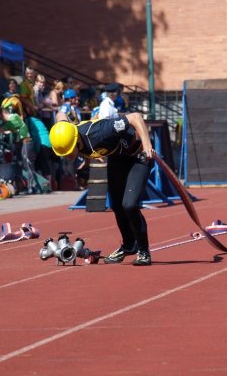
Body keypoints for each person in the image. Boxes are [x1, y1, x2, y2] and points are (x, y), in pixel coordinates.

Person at [50, 112, 155, 266]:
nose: (67, 157)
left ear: (76, 140)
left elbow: (135, 117)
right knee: (117, 206)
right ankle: (128, 246)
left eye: (69, 152)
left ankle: (143, 251)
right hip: (116, 158)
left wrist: (147, 147)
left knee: (129, 205)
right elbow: (60, 114)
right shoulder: (66, 131)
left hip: (137, 157)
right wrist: (86, 161)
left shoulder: (103, 131)